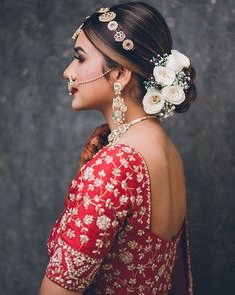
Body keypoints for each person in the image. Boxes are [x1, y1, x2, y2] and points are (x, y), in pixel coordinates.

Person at [39, 2, 196, 294]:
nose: (67, 72)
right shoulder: (166, 150)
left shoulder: (117, 166)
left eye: (80, 58)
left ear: (120, 75)